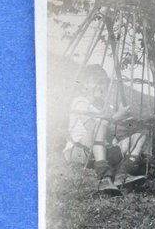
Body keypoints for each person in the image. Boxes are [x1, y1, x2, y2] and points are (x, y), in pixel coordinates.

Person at [63, 64, 148, 195]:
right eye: (96, 82)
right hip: (80, 151)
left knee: (140, 134)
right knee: (101, 123)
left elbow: (115, 129)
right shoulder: (80, 102)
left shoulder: (106, 105)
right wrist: (116, 117)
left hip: (103, 150)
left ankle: (123, 172)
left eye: (103, 83)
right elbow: (93, 127)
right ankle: (104, 176)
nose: (100, 87)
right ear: (85, 84)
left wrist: (129, 122)